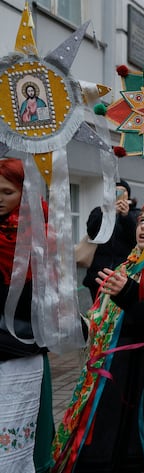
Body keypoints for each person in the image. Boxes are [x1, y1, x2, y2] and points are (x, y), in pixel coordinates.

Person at [52, 201, 144, 473]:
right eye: (141, 221)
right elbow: (100, 319)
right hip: (113, 370)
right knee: (104, 434)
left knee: (140, 439)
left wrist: (138, 295)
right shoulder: (124, 267)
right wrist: (74, 320)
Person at [0, 158, 54, 473]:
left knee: (24, 437)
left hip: (22, 348)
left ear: (24, 193)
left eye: (7, 191)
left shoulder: (40, 235)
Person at [83, 180, 138, 301]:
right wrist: (106, 213)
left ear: (128, 195)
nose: (118, 195)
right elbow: (91, 232)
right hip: (99, 271)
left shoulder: (135, 214)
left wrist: (126, 216)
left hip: (123, 272)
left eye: (121, 192)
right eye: (115, 192)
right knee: (98, 311)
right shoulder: (100, 211)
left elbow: (135, 239)